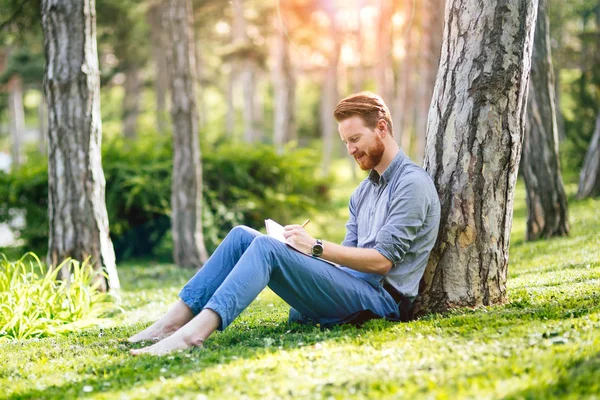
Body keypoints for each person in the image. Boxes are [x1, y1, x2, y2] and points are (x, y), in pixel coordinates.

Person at [129, 92, 441, 355]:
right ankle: (169, 324)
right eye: (346, 142)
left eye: (355, 139)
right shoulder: (362, 193)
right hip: (353, 287)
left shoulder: (411, 184)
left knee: (266, 248)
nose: (350, 150)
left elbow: (382, 262)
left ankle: (192, 335)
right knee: (241, 236)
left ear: (381, 128)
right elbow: (349, 257)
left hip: (381, 302)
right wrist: (300, 251)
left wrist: (315, 247)